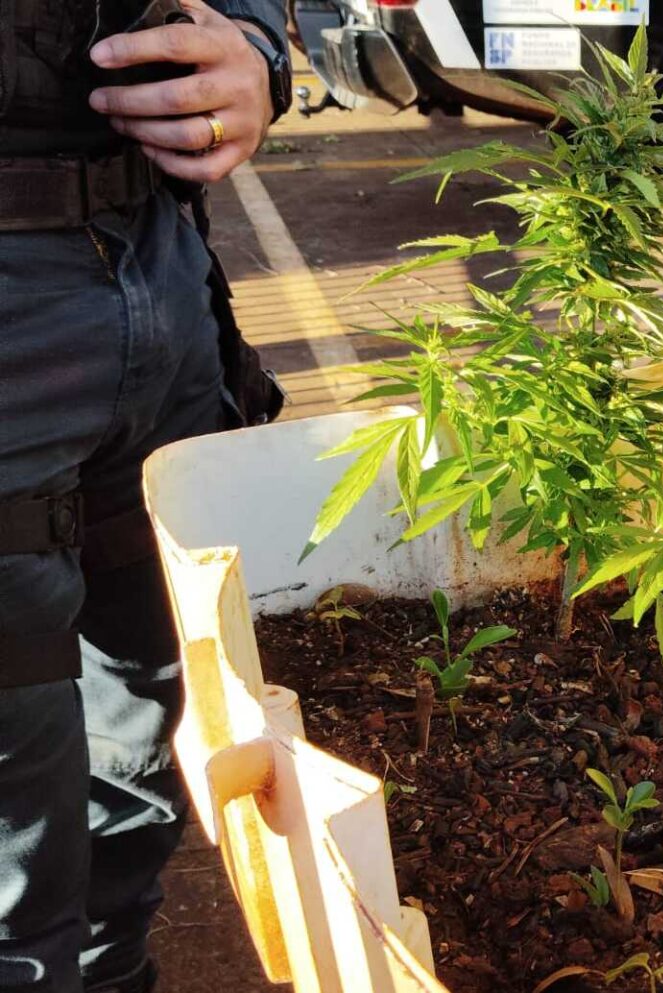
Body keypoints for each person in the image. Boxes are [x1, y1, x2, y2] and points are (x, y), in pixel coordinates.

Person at [0, 1, 291, 990]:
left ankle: (112, 969)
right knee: (16, 831)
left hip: (159, 263)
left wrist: (254, 52)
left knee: (155, 726)